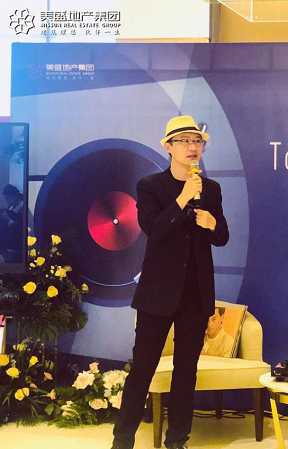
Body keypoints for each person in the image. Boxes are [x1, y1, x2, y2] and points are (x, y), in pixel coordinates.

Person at [112, 116, 229, 449]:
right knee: (142, 368)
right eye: (184, 141)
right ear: (168, 147)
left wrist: (211, 223)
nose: (193, 147)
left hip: (196, 293)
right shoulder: (150, 186)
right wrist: (183, 199)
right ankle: (123, 440)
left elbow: (222, 237)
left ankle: (177, 440)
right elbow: (154, 229)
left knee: (186, 371)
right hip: (157, 293)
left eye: (197, 141)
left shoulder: (211, 188)